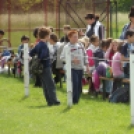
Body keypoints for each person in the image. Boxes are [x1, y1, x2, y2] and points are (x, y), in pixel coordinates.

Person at [30, 26, 60, 106]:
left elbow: (31, 53)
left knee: (45, 84)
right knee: (50, 84)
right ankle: (54, 101)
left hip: (39, 68)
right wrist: (42, 58)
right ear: (46, 36)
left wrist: (36, 57)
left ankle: (49, 101)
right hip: (45, 66)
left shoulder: (38, 44)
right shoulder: (44, 45)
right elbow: (43, 55)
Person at [60, 30, 89, 104]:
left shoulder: (80, 45)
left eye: (77, 36)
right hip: (72, 69)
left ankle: (77, 100)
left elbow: (85, 55)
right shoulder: (67, 47)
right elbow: (62, 57)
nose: (76, 38)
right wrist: (72, 60)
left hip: (80, 68)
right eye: (74, 37)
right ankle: (73, 100)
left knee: (79, 85)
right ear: (69, 37)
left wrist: (87, 65)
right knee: (74, 84)